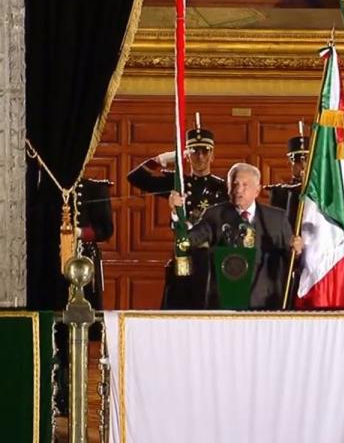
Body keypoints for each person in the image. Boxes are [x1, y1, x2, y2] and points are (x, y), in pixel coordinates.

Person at [169, 163, 304, 309]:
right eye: (234, 184)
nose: (238, 190)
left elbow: (291, 261)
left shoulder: (277, 218)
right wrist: (177, 214)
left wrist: (297, 252)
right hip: (225, 306)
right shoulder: (214, 215)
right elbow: (188, 241)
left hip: (265, 306)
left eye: (245, 185)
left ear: (257, 190)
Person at [127, 124, 228, 309]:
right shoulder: (177, 182)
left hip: (211, 260)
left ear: (212, 155)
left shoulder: (222, 188)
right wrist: (161, 159)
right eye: (194, 151)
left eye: (205, 151)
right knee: (177, 309)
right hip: (183, 255)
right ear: (187, 155)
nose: (200, 157)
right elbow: (135, 178)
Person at [74, 177, 114, 309]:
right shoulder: (48, 188)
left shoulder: (94, 188)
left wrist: (81, 233)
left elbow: (106, 229)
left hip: (83, 257)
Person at [265, 135, 309, 228]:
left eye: (307, 160)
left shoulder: (320, 192)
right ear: (290, 162)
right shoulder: (280, 192)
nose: (303, 166)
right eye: (297, 161)